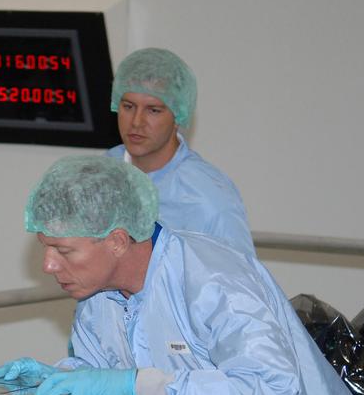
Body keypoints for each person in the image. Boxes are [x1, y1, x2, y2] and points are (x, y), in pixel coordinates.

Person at [0, 156, 364, 395]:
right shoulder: (98, 300)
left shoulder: (212, 280)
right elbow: (104, 380)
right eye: (45, 248)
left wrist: (139, 385)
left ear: (116, 240)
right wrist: (55, 387)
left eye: (63, 250)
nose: (48, 266)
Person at [105, 48, 253, 253]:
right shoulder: (100, 175)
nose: (137, 122)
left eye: (153, 110)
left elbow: (237, 279)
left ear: (179, 115)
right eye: (128, 106)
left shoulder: (206, 197)